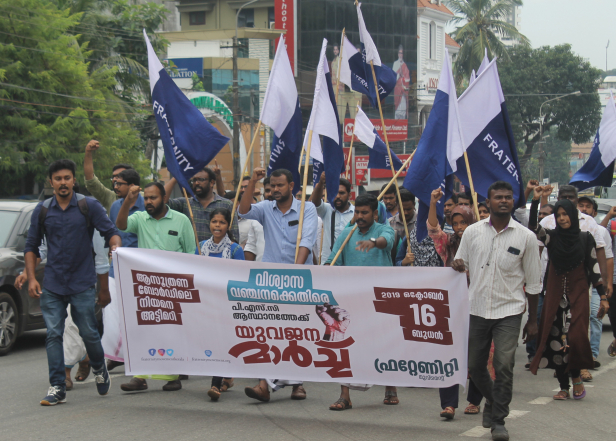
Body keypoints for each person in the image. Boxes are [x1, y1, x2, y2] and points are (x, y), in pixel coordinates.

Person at [24, 159, 121, 406]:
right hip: (53, 284)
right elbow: (31, 246)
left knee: (88, 332)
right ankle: (57, 386)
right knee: (53, 334)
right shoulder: (43, 210)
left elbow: (110, 232)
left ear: (73, 180)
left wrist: (115, 245)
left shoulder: (88, 206)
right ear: (51, 182)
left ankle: (99, 367)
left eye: (67, 178)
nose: (63, 182)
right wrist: (32, 277)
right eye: (58, 179)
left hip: (82, 282)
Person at [452, 181, 541, 441]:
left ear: (513, 201)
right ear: (487, 202)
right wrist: (458, 264)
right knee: (476, 366)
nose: (503, 200)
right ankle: (493, 399)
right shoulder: (472, 232)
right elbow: (461, 263)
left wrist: (532, 321)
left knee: (503, 365)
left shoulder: (526, 237)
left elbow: (534, 283)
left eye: (507, 197)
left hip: (509, 310)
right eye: (498, 197)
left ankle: (499, 421)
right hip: (477, 308)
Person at [239, 167, 317, 401]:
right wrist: (253, 181)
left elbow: (307, 241)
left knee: (296, 332)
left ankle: (294, 384)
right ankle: (266, 383)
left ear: (291, 186)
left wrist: (295, 271)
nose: (274, 190)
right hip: (271, 281)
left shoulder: (307, 208)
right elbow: (242, 211)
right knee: (272, 333)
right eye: (272, 186)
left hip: (299, 280)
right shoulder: (265, 208)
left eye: (279, 185)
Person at [527, 190, 608, 401]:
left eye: (565, 214)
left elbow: (594, 268)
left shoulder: (585, 238)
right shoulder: (552, 237)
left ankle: (577, 377)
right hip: (555, 295)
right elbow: (534, 228)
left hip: (579, 294)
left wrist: (604, 296)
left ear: (572, 214)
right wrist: (535, 201)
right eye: (559, 215)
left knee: (575, 337)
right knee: (555, 339)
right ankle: (564, 386)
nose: (562, 218)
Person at [116, 182, 197, 393]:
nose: (149, 202)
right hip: (146, 285)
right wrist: (128, 201)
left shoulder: (181, 221)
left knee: (171, 332)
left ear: (164, 198)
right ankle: (140, 377)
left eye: (153, 198)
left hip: (174, 286)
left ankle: (173, 376)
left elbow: (191, 253)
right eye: (146, 198)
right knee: (144, 331)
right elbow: (121, 225)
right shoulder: (140, 218)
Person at [325, 193, 398, 409]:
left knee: (385, 343)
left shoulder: (383, 229)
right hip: (352, 299)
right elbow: (333, 261)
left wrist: (373, 242)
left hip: (381, 299)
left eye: (364, 212)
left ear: (375, 214)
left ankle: (390, 386)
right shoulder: (347, 234)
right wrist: (326, 270)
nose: (359, 216)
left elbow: (387, 242)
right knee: (346, 345)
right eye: (357, 211)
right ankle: (344, 395)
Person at [425, 187, 477, 419]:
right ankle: (448, 404)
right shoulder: (448, 243)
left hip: (478, 305)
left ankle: (475, 400)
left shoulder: (482, 242)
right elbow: (434, 229)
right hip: (452, 306)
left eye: (463, 222)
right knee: (449, 353)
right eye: (455, 223)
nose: (459, 227)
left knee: (478, 353)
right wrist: (433, 203)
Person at [196, 207, 244, 401]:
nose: (217, 226)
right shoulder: (200, 247)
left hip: (226, 304)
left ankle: (215, 385)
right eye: (214, 222)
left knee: (220, 342)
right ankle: (227, 375)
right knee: (212, 341)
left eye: (222, 222)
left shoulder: (235, 250)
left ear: (227, 226)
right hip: (206, 302)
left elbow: (240, 277)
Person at [103, 169, 145, 371]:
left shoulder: (147, 205)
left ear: (132, 185)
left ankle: (140, 358)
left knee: (138, 315)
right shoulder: (115, 206)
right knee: (113, 313)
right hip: (116, 268)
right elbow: (114, 231)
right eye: (114, 183)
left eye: (120, 183)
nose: (115, 187)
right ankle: (116, 355)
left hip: (139, 270)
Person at [577, 195, 613, 374]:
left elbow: (606, 258)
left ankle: (592, 355)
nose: (584, 209)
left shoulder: (601, 231)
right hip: (577, 283)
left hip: (595, 282)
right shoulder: (568, 229)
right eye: (580, 205)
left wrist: (606, 284)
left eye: (588, 206)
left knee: (595, 316)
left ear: (594, 212)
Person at [164, 167, 239, 243]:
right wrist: (175, 178)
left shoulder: (226, 204)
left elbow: (234, 236)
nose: (196, 183)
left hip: (217, 253)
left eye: (201, 180)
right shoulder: (186, 203)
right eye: (194, 180)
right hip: (191, 253)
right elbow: (163, 201)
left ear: (212, 182)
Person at [524, 202, 554, 368]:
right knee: (535, 317)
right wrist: (535, 202)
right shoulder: (543, 235)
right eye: (540, 214)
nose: (542, 218)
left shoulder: (557, 236)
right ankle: (533, 355)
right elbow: (533, 226)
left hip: (555, 285)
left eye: (546, 215)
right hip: (538, 283)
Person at [310, 172, 355, 264]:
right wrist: (321, 183)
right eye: (335, 192)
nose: (338, 196)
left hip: (350, 263)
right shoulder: (327, 209)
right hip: (329, 264)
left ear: (349, 195)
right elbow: (314, 202)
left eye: (342, 193)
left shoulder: (356, 213)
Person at [83, 139, 134, 214]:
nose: (115, 180)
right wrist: (88, 152)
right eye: (113, 177)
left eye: (119, 176)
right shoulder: (109, 197)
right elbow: (91, 181)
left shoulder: (145, 197)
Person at [388, 189, 416, 260]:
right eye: (402, 209)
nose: (405, 213)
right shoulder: (389, 224)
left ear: (414, 204)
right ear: (396, 205)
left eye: (409, 209)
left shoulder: (421, 224)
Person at [393, 45, 410, 119]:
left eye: (402, 53)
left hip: (403, 91)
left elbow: (408, 79)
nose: (400, 55)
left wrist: (403, 77)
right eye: (399, 53)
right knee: (397, 110)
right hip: (397, 90)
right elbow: (392, 77)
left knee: (402, 108)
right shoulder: (395, 64)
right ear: (398, 54)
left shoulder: (405, 66)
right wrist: (398, 75)